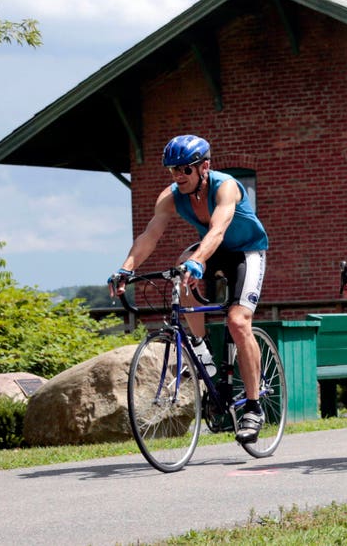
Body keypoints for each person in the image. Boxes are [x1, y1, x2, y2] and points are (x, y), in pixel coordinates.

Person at [108, 135, 269, 444]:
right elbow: (150, 234)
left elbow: (219, 228)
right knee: (181, 276)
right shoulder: (170, 196)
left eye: (185, 169)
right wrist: (126, 267)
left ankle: (253, 406)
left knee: (237, 321)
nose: (178, 176)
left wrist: (197, 260)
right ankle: (202, 350)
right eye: (173, 171)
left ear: (204, 167)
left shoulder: (226, 187)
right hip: (211, 250)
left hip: (246, 251)